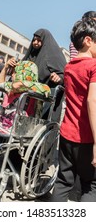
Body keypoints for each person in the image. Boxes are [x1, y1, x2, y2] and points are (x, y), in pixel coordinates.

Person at [51, 17, 96, 202]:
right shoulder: (93, 66)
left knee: (63, 181)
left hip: (67, 134)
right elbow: (92, 101)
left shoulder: (69, 67)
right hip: (87, 137)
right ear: (88, 41)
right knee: (91, 185)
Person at [0, 59, 50, 133]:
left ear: (21, 74)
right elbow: (46, 89)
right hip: (27, 126)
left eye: (15, 72)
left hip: (11, 125)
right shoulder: (37, 89)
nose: (12, 74)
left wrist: (6, 67)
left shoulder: (12, 86)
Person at [23, 28, 66, 122]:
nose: (35, 43)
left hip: (45, 100)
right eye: (34, 40)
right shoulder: (31, 55)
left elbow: (63, 74)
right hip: (27, 97)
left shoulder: (54, 56)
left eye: (39, 40)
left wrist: (58, 78)